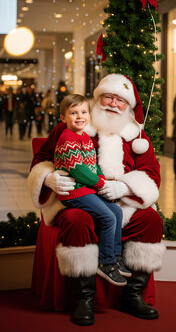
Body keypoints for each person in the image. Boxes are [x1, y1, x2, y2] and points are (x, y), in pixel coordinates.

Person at [27, 74, 165, 325]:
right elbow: (41, 160)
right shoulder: (75, 123)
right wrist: (48, 178)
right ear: (97, 98)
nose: (113, 103)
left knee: (151, 220)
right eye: (108, 97)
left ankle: (133, 295)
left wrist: (124, 188)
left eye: (120, 100)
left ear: (129, 106)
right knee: (78, 220)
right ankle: (84, 297)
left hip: (124, 203)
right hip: (80, 199)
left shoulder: (138, 138)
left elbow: (152, 175)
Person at [55, 94, 131, 287]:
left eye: (83, 112)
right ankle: (106, 262)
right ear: (63, 118)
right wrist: (100, 184)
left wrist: (102, 179)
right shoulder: (67, 138)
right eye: (73, 113)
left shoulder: (86, 138)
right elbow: (79, 171)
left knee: (116, 211)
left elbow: (92, 165)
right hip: (74, 191)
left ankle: (115, 255)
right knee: (107, 217)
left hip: (87, 189)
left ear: (89, 114)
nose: (79, 116)